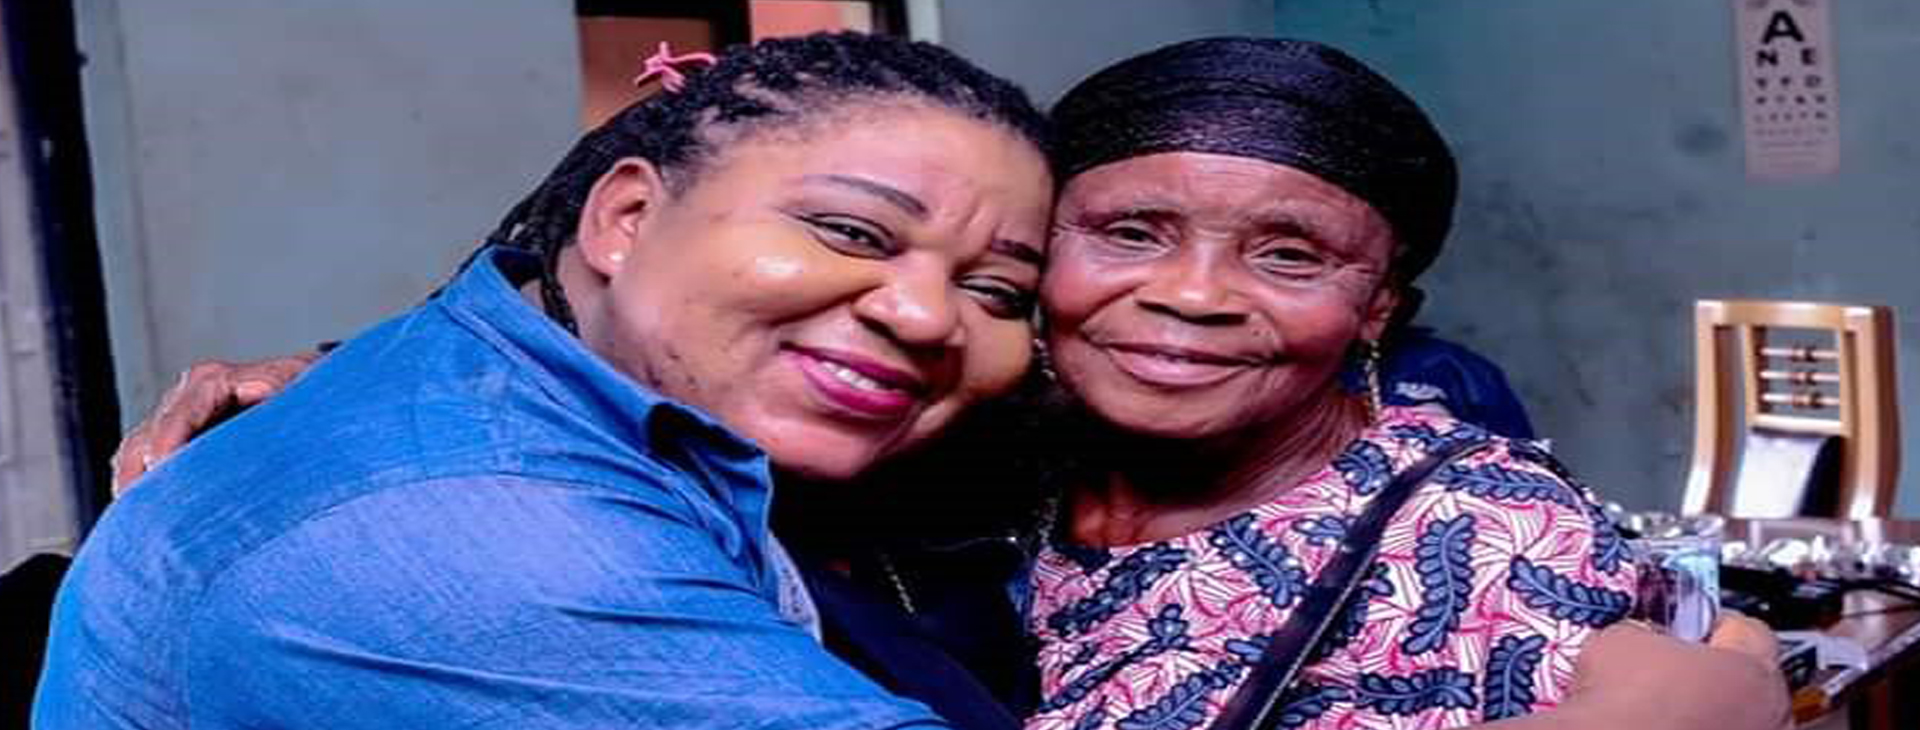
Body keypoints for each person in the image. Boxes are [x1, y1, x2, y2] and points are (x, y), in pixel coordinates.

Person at [86, 34, 1791, 730]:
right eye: (1125, 234)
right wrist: (313, 381)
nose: (1194, 295)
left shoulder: (1469, 515)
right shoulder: (948, 450)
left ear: (1376, 309)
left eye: (1289, 255)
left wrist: (1715, 677)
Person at [36, 32, 1055, 729]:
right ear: (624, 218)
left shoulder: (499, 362)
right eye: (850, 232)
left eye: (999, 291)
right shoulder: (490, 536)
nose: (928, 316)